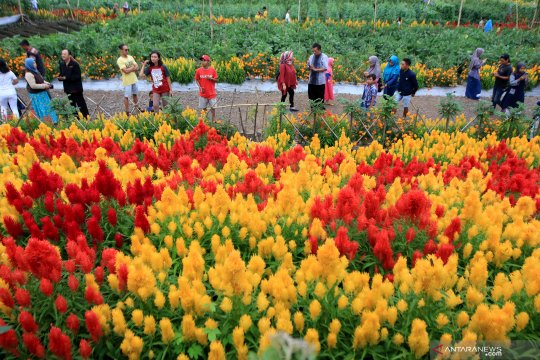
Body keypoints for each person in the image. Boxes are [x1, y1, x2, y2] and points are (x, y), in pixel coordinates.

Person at [24, 58, 58, 124]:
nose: (35, 64)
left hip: (42, 93)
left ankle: (54, 121)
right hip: (37, 95)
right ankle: (47, 122)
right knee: (42, 109)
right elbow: (33, 85)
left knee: (48, 107)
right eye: (33, 63)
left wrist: (47, 83)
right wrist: (44, 86)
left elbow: (41, 80)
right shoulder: (28, 74)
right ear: (29, 65)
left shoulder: (35, 71)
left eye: (35, 62)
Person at [58, 49, 89, 119]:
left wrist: (66, 78)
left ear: (69, 55)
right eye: (62, 54)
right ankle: (77, 119)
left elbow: (77, 76)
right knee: (72, 105)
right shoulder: (62, 64)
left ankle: (86, 118)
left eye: (65, 54)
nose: (63, 55)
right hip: (68, 88)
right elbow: (62, 74)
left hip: (76, 88)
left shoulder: (74, 64)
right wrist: (60, 77)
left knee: (81, 104)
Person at [117, 44, 140, 115]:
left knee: (135, 94)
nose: (127, 51)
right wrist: (133, 68)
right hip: (127, 81)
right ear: (121, 50)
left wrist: (130, 69)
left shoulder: (130, 57)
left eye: (128, 50)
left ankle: (137, 108)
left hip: (134, 79)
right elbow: (125, 71)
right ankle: (127, 111)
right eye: (125, 50)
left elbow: (137, 67)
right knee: (127, 96)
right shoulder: (120, 60)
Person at [195, 55, 218, 121]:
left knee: (213, 108)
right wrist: (199, 87)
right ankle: (204, 120)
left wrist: (211, 78)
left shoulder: (212, 70)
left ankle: (213, 119)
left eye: (204, 60)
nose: (202, 62)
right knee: (203, 108)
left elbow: (216, 80)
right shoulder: (198, 70)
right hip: (203, 93)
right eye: (201, 60)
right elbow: (196, 79)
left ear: (208, 62)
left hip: (211, 93)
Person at [307, 43, 329, 107]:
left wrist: (315, 69)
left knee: (319, 97)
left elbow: (325, 68)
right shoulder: (311, 56)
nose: (314, 52)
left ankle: (319, 111)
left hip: (320, 81)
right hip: (311, 80)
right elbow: (308, 66)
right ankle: (313, 109)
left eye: (315, 51)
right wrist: (309, 66)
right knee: (311, 96)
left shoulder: (324, 57)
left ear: (319, 50)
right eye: (313, 51)